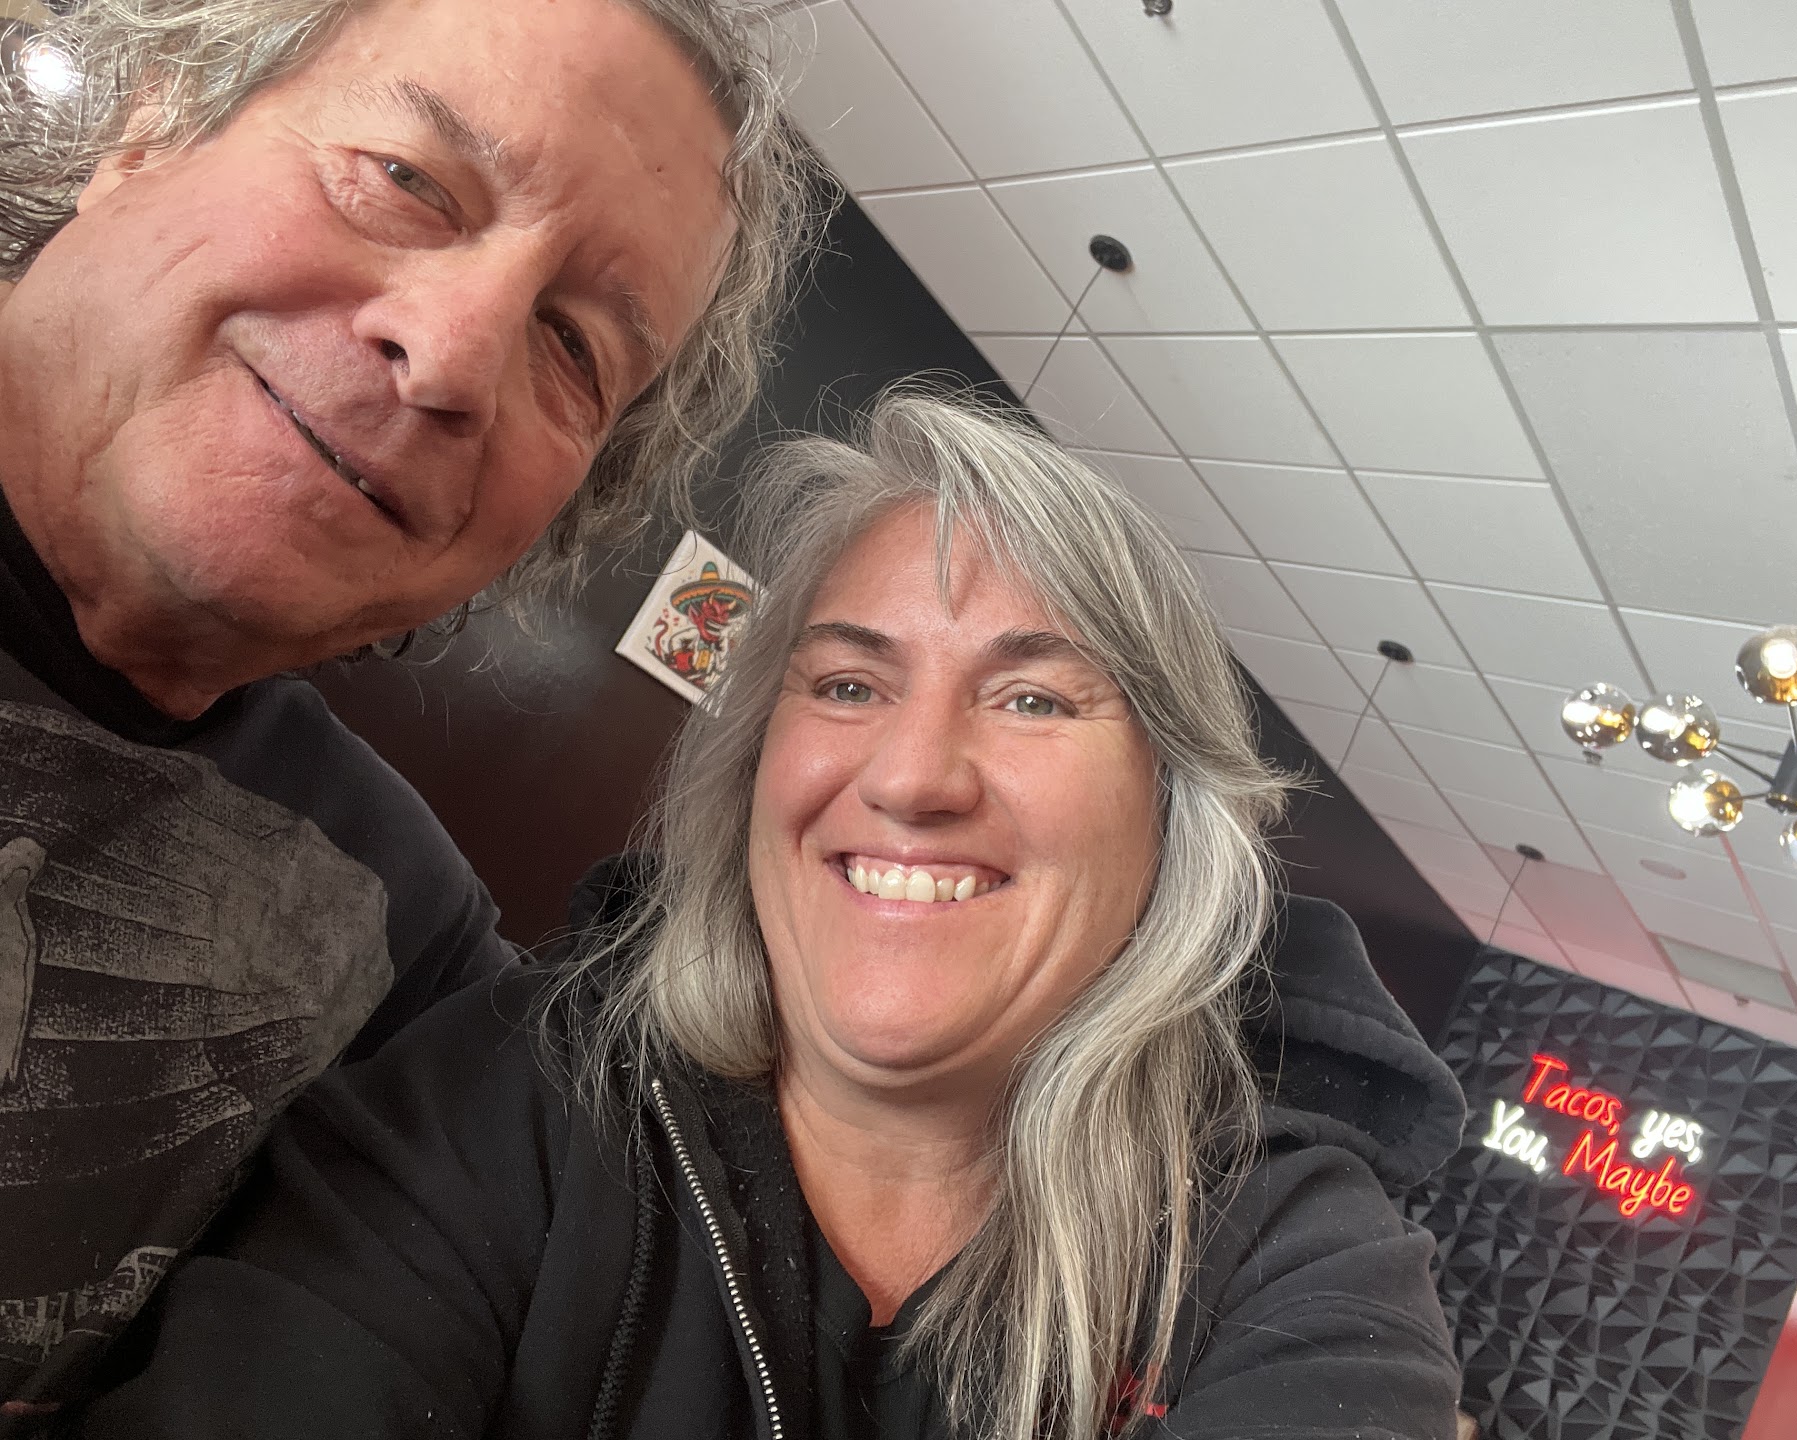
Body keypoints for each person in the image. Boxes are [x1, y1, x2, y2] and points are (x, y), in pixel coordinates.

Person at [77, 391, 1468, 1439]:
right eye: (849, 685)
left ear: (1171, 822)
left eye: (1034, 697)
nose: (911, 778)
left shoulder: (1285, 1252)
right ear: (753, 760)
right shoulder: (517, 1087)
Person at [0, 0, 814, 1417]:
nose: (449, 357)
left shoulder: (404, 940)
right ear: (152, 124)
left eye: (573, 348)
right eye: (407, 179)